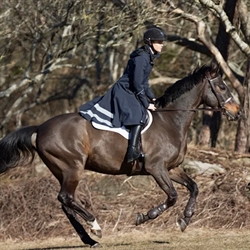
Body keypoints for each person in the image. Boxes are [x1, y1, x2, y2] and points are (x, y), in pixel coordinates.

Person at [79, 27, 165, 163]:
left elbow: (144, 83)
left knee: (142, 112)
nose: (161, 44)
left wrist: (153, 97)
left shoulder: (149, 57)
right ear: (149, 42)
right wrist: (146, 103)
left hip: (132, 90)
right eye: (159, 41)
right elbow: (137, 84)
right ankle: (132, 152)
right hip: (124, 91)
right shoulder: (142, 58)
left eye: (162, 42)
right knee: (138, 115)